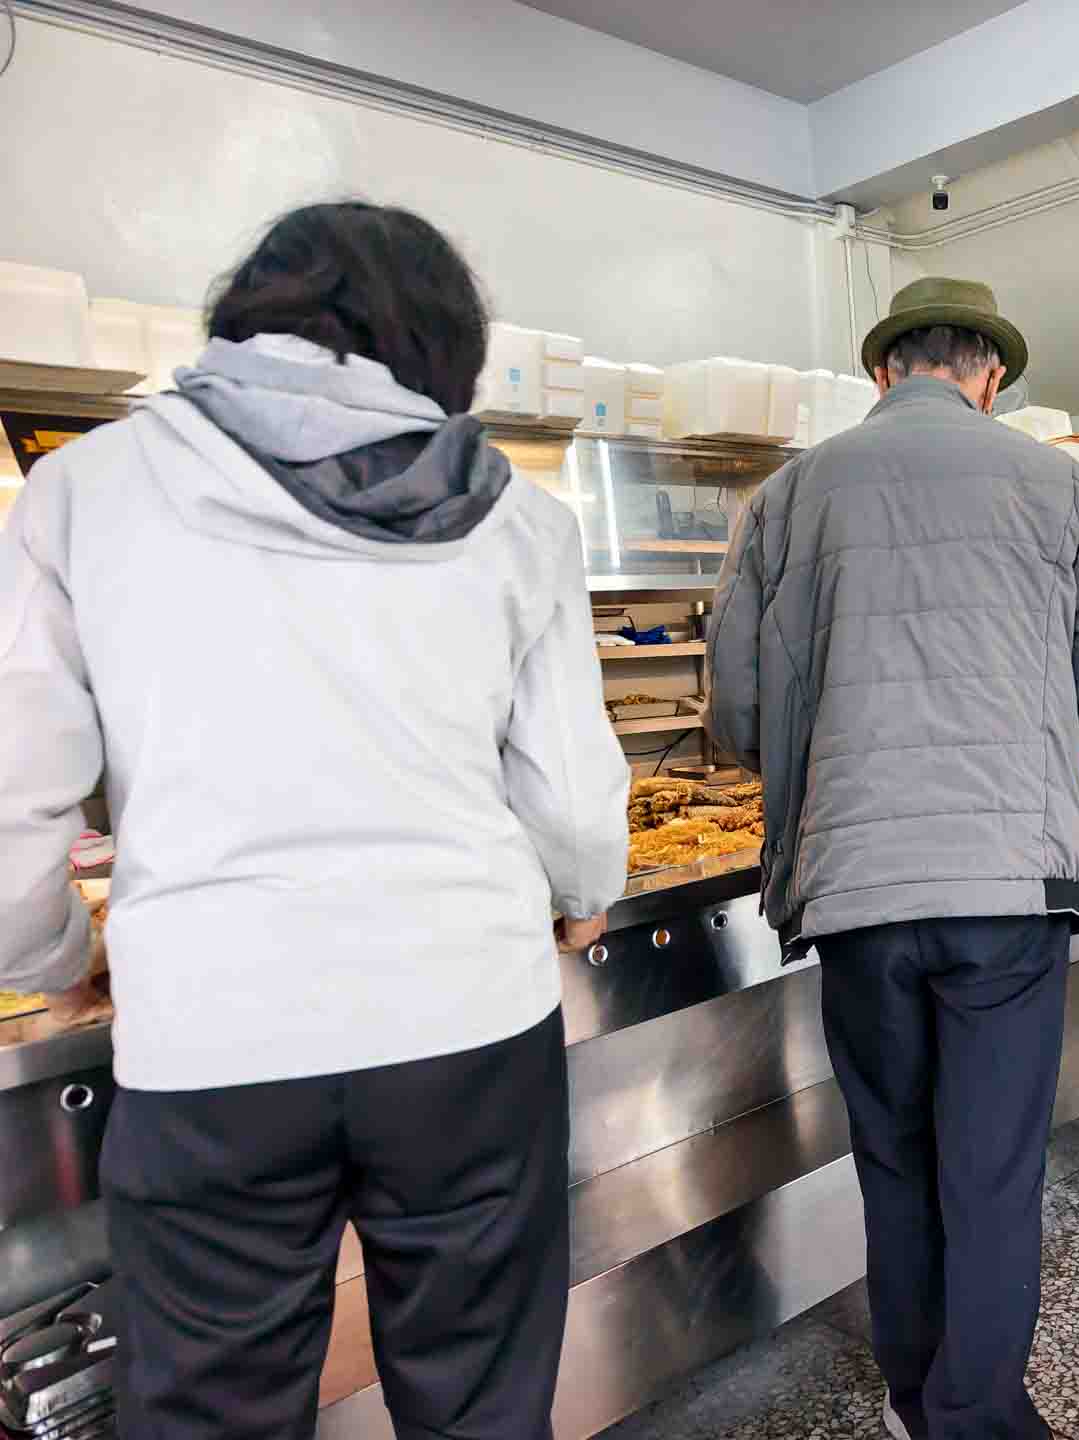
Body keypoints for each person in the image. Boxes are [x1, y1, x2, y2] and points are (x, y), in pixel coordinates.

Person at [0, 202, 629, 1438]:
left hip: (213, 1036)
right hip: (468, 1021)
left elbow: (13, 790)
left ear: (246, 316)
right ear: (447, 345)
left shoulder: (82, 489)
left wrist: (58, 960)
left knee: (211, 1414)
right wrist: (574, 892)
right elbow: (569, 788)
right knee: (483, 1399)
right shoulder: (521, 519)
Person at [704, 276, 1079, 1440]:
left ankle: (916, 1396)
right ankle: (977, 1416)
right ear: (991, 373)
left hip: (855, 885)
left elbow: (738, 718)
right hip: (1008, 885)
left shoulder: (786, 495)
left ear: (880, 373)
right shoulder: (1058, 484)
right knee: (991, 1172)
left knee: (894, 1159)